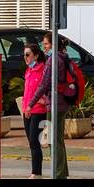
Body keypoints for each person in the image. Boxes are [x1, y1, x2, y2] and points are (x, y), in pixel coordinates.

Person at [31, 32, 71, 179]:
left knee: (53, 140)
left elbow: (44, 84)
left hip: (55, 104)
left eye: (46, 44)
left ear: (53, 45)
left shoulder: (53, 60)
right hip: (62, 102)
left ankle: (59, 174)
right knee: (58, 139)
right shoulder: (63, 58)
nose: (44, 47)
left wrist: (31, 103)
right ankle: (62, 171)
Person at [22, 42, 48, 178]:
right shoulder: (28, 71)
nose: (25, 58)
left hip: (38, 111)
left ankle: (36, 172)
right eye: (24, 55)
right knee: (31, 142)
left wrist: (43, 101)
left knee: (34, 140)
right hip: (27, 110)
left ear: (36, 56)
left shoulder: (43, 70)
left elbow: (45, 89)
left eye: (28, 55)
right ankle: (35, 171)